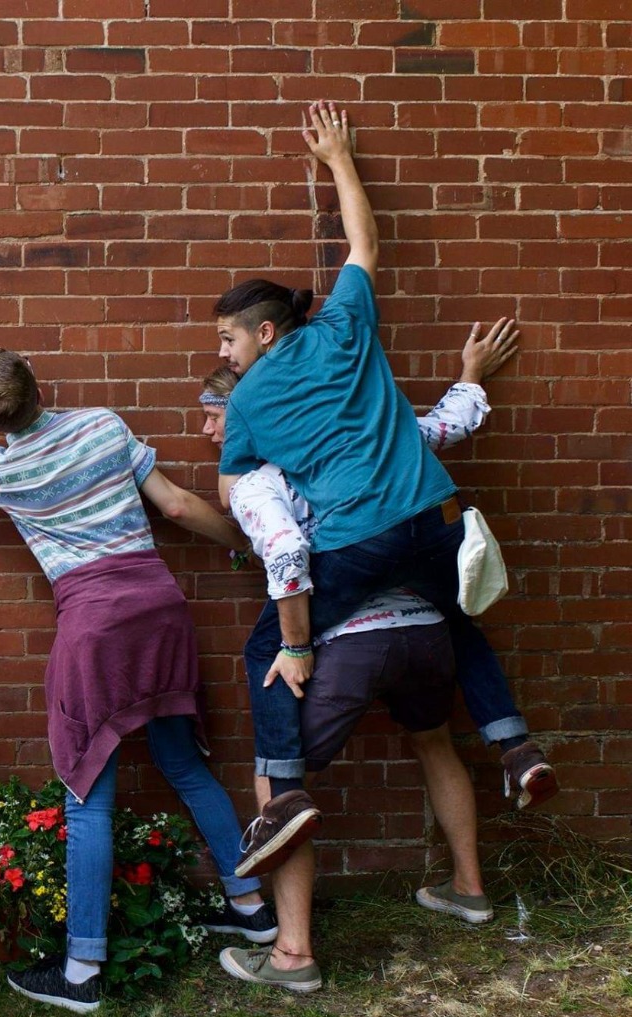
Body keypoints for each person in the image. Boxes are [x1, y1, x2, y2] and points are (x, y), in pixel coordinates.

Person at [0, 310, 275, 1016]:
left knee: (86, 786)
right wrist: (245, 548)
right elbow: (180, 508)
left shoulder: (0, 467)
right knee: (185, 766)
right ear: (40, 387)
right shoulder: (102, 424)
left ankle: (81, 969)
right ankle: (250, 907)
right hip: (160, 608)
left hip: (94, 625)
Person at [213, 102, 555, 879]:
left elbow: (234, 487)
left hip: (357, 540)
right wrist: (337, 156)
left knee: (266, 645)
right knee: (456, 620)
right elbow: (364, 243)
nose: (224, 354)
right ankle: (514, 745)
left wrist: (239, 473)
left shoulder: (247, 404)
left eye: (227, 339)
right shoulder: (343, 328)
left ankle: (285, 794)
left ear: (263, 333)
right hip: (436, 518)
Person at [198, 349, 507, 990]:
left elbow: (286, 553)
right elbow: (441, 427)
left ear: (249, 416)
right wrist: (470, 379)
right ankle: (470, 886)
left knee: (279, 781)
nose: (207, 432)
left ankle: (292, 955)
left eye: (214, 416)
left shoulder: (259, 480)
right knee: (434, 740)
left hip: (348, 642)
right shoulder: (361, 442)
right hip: (426, 629)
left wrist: (297, 644)